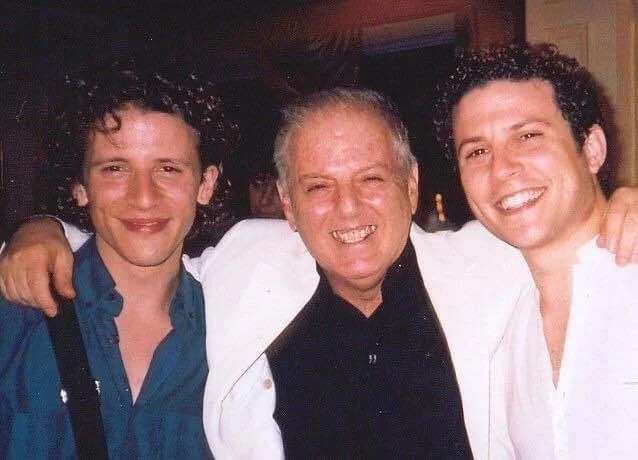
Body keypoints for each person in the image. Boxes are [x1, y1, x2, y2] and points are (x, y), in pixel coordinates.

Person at [1, 87, 637, 459]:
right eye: (318, 186)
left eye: (371, 179)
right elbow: (142, 241)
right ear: (286, 202)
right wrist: (42, 230)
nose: (348, 209)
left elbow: (564, 228)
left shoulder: (489, 266)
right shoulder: (245, 267)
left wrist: (624, 203)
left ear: (411, 185)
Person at [0, 61, 234, 458]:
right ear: (80, 187)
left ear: (205, 184)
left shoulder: (238, 331)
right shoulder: (17, 314)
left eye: (168, 169)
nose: (143, 197)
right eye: (115, 169)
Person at [434, 42, 638, 457]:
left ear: (592, 149)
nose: (502, 169)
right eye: (477, 152)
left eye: (527, 136)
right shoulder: (498, 335)